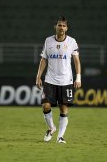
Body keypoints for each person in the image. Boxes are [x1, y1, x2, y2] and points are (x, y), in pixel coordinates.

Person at [35, 16, 81, 144]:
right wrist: (38, 76)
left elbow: (76, 61)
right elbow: (43, 59)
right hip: (50, 80)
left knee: (63, 108)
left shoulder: (72, 42)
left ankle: (60, 137)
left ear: (67, 28)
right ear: (55, 27)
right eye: (59, 25)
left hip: (66, 80)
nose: (61, 28)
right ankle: (51, 128)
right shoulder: (48, 41)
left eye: (63, 26)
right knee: (45, 105)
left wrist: (78, 77)